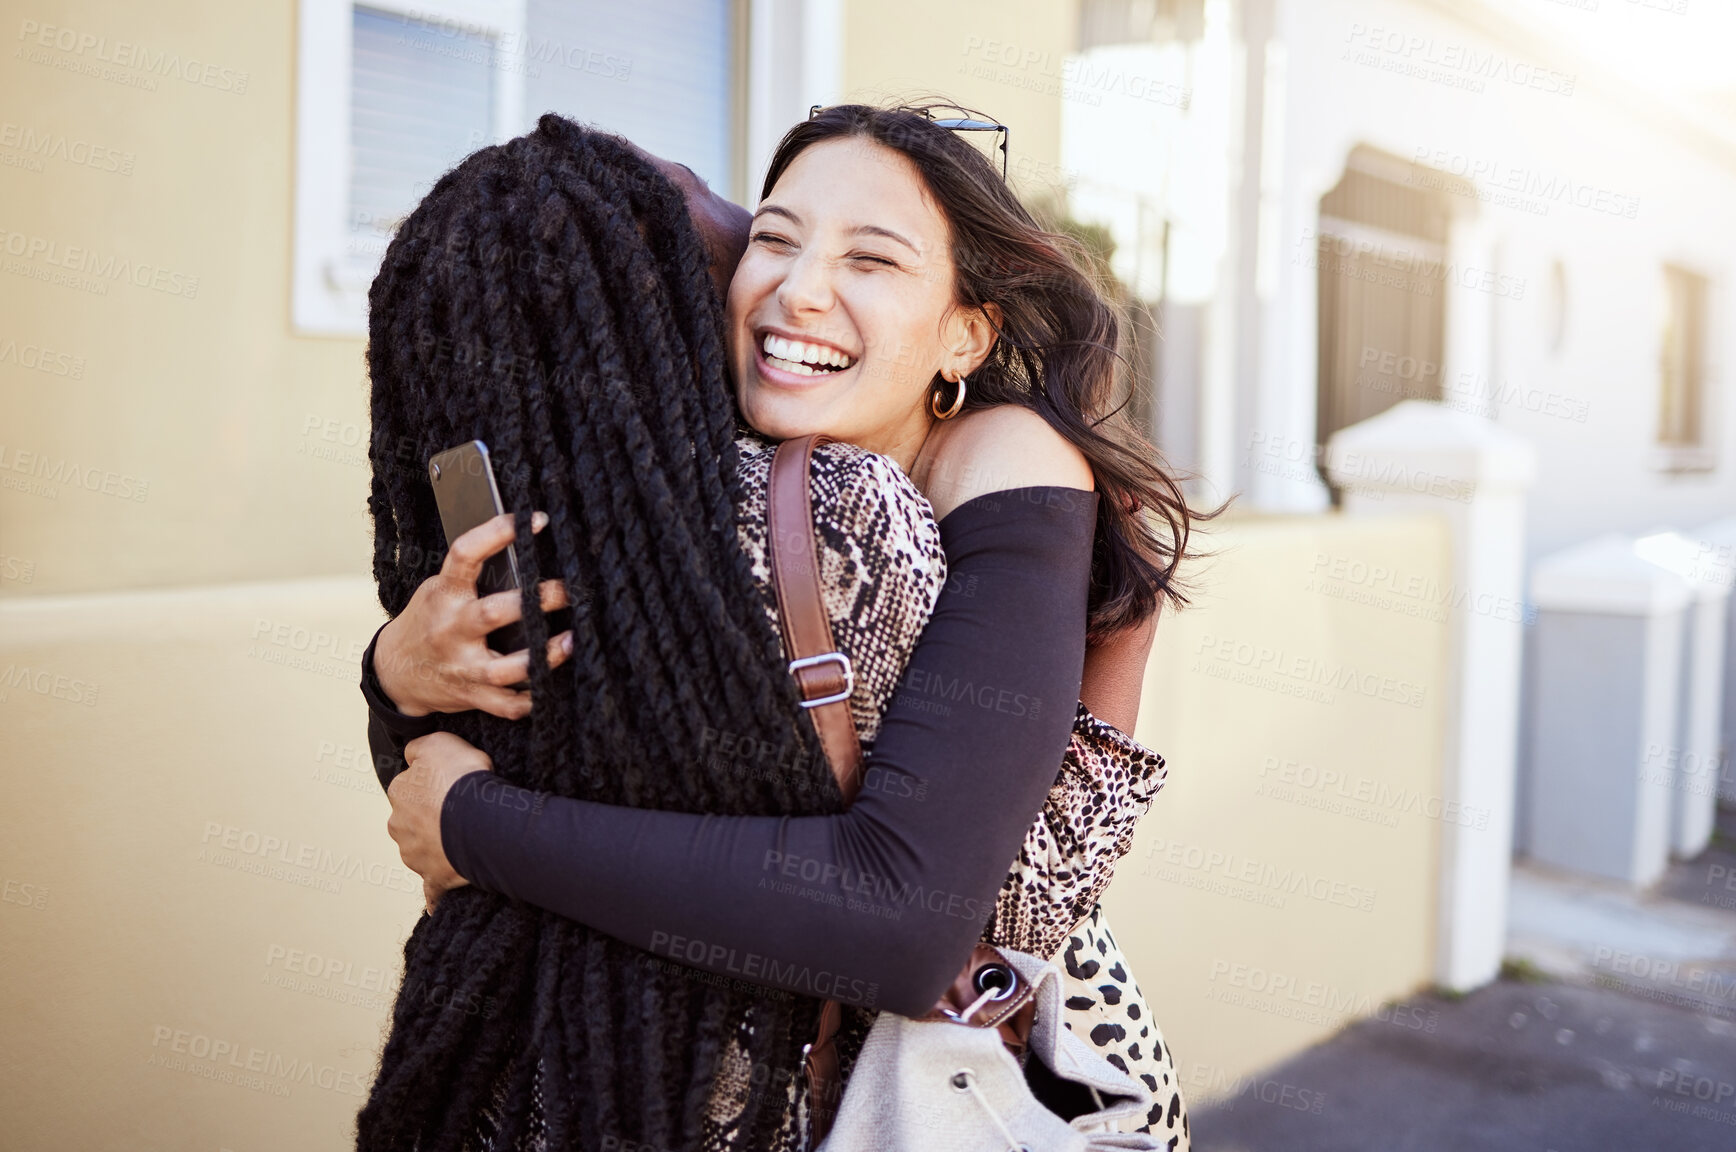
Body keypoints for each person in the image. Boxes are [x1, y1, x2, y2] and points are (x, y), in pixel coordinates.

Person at [370, 105, 1204, 1150]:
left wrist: (481, 831)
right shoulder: (693, 479)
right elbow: (517, 767)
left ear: (964, 333)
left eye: (872, 257)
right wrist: (396, 675)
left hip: (954, 1086)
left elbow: (903, 918)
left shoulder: (1002, 461)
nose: (799, 289)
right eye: (773, 237)